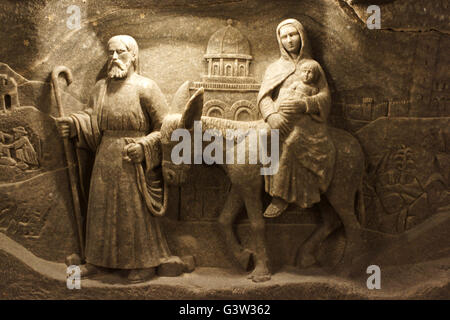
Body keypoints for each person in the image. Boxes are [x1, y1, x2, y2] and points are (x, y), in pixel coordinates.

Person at [56, 35, 184, 282]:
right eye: (110, 53)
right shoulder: (100, 88)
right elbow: (91, 119)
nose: (113, 58)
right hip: (105, 158)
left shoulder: (146, 87)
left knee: (133, 212)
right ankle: (96, 261)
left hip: (133, 160)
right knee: (101, 209)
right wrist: (73, 124)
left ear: (133, 55)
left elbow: (167, 128)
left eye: (120, 52)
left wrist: (145, 146)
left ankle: (143, 263)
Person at [257, 19, 336, 218]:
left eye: (293, 34)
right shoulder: (274, 68)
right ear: (279, 40)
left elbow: (325, 97)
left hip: (306, 121)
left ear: (301, 36)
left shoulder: (313, 66)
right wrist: (271, 115)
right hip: (280, 117)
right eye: (284, 36)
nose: (289, 40)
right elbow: (264, 96)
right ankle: (267, 188)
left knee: (294, 142)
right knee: (266, 135)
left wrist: (305, 104)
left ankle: (282, 197)